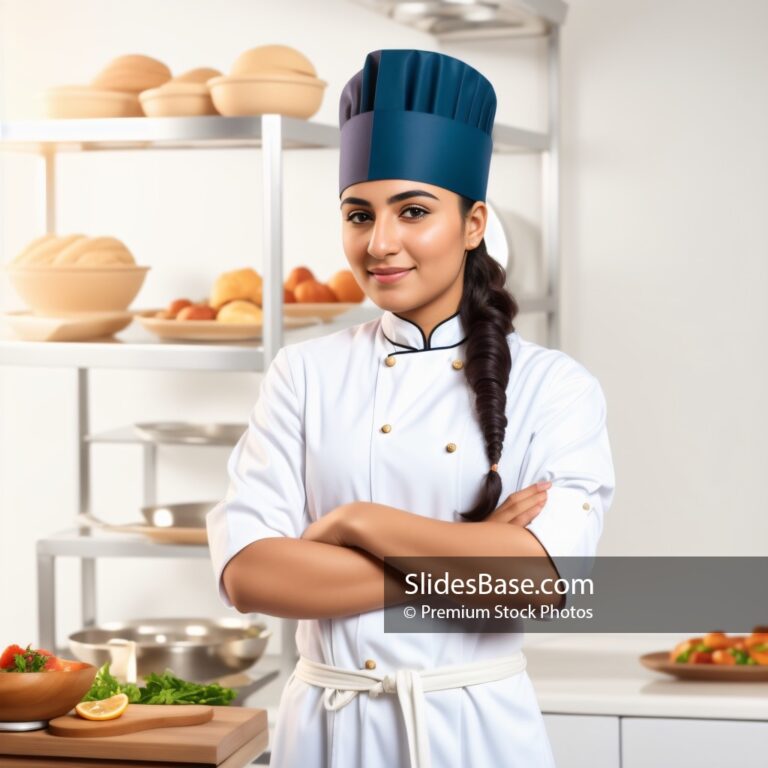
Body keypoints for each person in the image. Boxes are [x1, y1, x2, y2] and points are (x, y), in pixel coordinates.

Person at [207, 48, 615, 768]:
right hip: (326, 734)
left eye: (414, 211)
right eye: (358, 214)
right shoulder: (303, 372)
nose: (380, 243)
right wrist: (474, 548)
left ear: (473, 222)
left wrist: (358, 524)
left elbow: (543, 583)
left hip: (472, 733)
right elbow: (249, 575)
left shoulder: (556, 387)